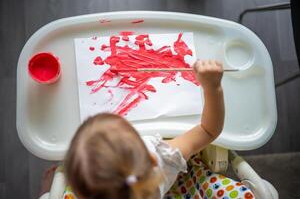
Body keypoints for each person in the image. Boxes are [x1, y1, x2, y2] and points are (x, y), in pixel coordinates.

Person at [39, 60, 254, 199]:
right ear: (151, 159)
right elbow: (208, 131)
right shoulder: (161, 158)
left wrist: (51, 190)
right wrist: (212, 87)